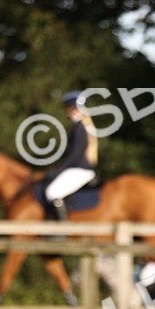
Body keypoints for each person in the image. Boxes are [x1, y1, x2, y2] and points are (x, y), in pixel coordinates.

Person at [43, 91, 98, 220]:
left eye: (70, 108)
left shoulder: (80, 127)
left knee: (52, 192)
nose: (68, 111)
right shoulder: (82, 126)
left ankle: (61, 231)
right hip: (79, 169)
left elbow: (75, 154)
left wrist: (59, 170)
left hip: (79, 169)